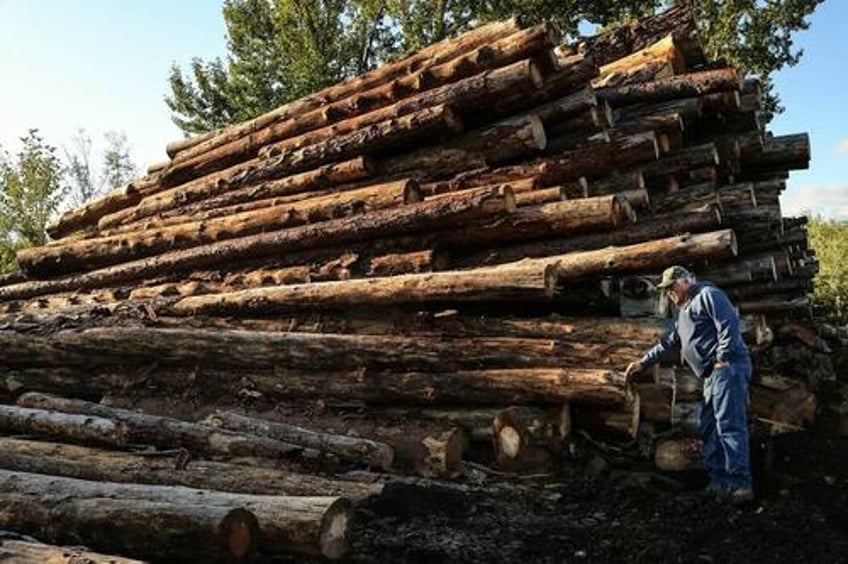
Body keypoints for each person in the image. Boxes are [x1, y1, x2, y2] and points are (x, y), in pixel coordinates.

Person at [625, 265, 754, 505]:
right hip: (711, 375)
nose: (669, 293)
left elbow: (729, 324)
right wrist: (643, 363)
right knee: (709, 426)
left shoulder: (707, 295)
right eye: (666, 290)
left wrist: (722, 356)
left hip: (728, 368)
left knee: (729, 425)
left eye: (672, 287)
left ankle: (740, 485)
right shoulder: (682, 311)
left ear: (686, 281)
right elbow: (668, 343)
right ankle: (719, 483)